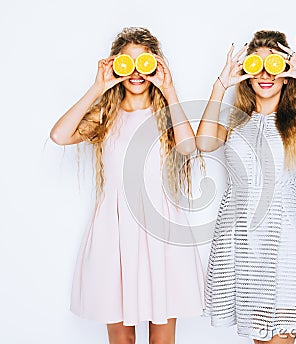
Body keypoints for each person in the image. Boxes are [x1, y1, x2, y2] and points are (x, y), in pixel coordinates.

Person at [196, 30, 296, 343]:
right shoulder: (233, 123)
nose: (266, 73)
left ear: (286, 76)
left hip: (285, 235)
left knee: (281, 334)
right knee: (259, 336)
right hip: (240, 235)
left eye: (275, 66)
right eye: (257, 65)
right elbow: (203, 142)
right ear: (246, 75)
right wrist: (220, 86)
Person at [50, 27, 204, 344]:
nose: (135, 72)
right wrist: (97, 87)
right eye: (126, 64)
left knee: (162, 338)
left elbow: (189, 148)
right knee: (122, 339)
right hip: (114, 232)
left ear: (156, 66)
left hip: (160, 232)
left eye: (143, 63)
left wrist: (170, 90)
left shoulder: (165, 116)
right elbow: (59, 135)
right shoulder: (105, 116)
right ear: (115, 67)